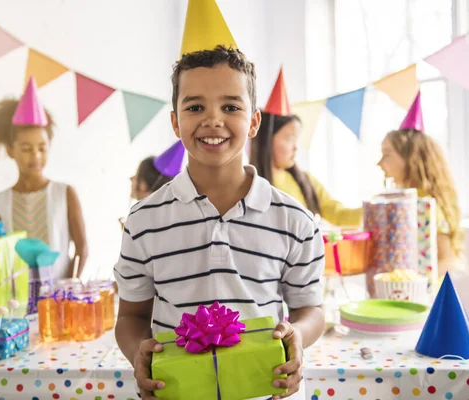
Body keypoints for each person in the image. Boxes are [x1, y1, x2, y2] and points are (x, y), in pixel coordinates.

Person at [114, 45, 325, 400]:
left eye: (231, 106)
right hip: (177, 393)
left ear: (254, 121)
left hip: (265, 392)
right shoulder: (143, 221)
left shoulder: (295, 220)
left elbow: (311, 309)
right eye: (195, 107)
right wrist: (138, 351)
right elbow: (131, 317)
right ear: (175, 122)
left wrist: (298, 336)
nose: (213, 119)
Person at [0, 77, 88, 279]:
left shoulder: (65, 194)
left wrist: (68, 287)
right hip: (15, 304)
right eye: (26, 149)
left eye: (42, 148)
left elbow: (81, 247)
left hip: (58, 301)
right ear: (10, 150)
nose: (36, 156)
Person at [250, 68, 362, 227]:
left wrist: (373, 209)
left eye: (297, 139)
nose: (296, 147)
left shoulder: (306, 181)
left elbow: (338, 214)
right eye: (289, 139)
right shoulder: (248, 184)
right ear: (267, 141)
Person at [378, 91, 464, 277]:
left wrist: (419, 285)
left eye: (387, 154)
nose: (380, 163)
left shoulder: (428, 206)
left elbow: (447, 259)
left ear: (411, 159)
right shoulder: (398, 203)